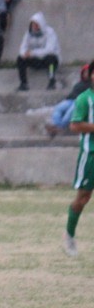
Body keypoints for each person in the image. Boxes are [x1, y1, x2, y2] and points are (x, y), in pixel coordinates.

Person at [64, 61, 94, 256]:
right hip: (90, 155)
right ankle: (69, 235)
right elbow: (74, 126)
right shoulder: (85, 99)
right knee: (83, 198)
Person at [16, 12, 60, 92]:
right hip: (36, 60)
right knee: (20, 59)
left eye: (37, 25)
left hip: (50, 61)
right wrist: (24, 54)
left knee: (51, 59)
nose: (35, 27)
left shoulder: (50, 32)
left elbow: (49, 50)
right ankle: (24, 83)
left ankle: (52, 81)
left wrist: (32, 53)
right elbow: (23, 47)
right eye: (33, 25)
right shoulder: (28, 33)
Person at [48, 63, 90, 137]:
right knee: (58, 108)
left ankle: (59, 127)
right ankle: (56, 125)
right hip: (70, 100)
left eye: (88, 72)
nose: (86, 74)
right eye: (85, 72)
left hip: (79, 101)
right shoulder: (80, 83)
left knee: (69, 113)